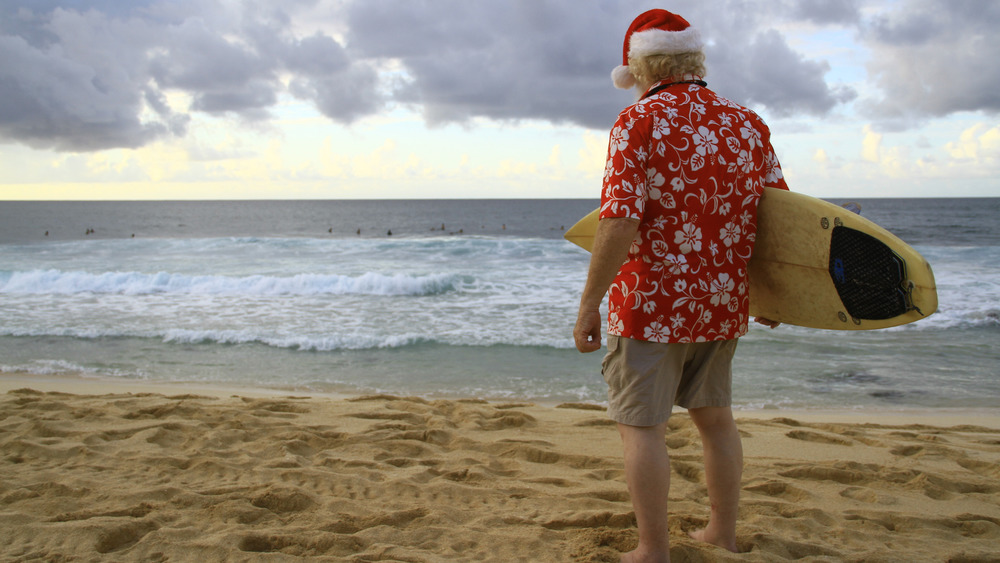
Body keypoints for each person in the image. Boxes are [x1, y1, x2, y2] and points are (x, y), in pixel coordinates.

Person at [573, 9, 788, 562]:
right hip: (720, 304)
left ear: (640, 67)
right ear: (695, 60)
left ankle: (653, 549)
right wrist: (773, 291)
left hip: (651, 305)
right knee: (716, 422)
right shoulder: (748, 122)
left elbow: (619, 220)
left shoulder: (638, 122)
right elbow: (777, 214)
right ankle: (724, 534)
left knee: (641, 427)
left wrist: (590, 303)